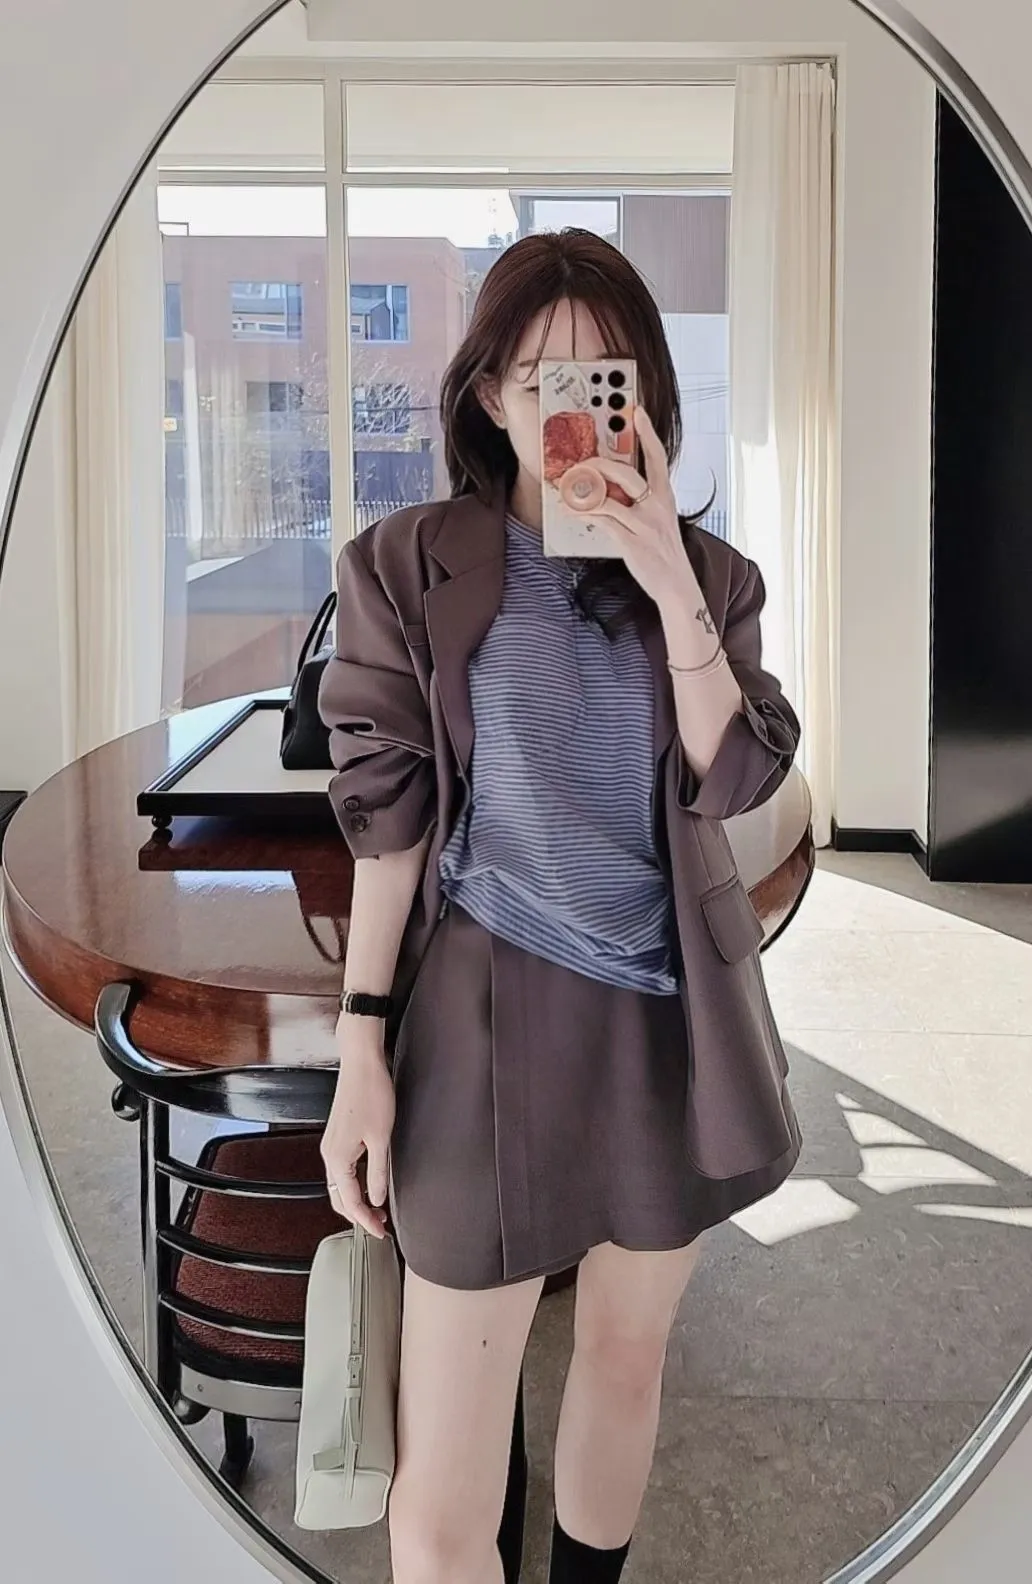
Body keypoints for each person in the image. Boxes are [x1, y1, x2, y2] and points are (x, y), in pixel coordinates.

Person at [317, 229, 803, 1584]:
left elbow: (738, 777)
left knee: (626, 1360)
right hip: (487, 1019)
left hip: (669, 1024)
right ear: (488, 396)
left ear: (644, 394)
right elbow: (391, 826)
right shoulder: (403, 565)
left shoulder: (710, 581)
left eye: (605, 377)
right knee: (438, 1508)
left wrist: (668, 586)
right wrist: (362, 1042)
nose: (570, 408)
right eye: (538, 380)